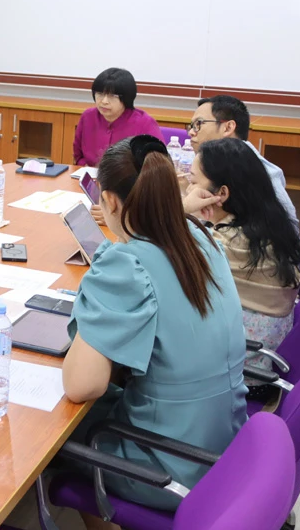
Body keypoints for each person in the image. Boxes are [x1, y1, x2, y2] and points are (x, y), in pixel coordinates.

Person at [62, 136, 246, 516]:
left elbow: (82, 385)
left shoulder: (126, 264)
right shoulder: (197, 235)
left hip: (169, 465)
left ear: (110, 201)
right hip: (225, 445)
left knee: (45, 435)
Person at [184, 138, 300, 372]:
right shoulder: (262, 223)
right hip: (253, 353)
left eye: (192, 181)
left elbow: (157, 250)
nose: (188, 189)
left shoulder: (229, 245)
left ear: (221, 193)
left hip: (241, 371)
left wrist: (182, 210)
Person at [188, 94, 299, 227]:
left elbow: (288, 231)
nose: (191, 132)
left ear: (228, 127)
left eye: (199, 124)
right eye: (191, 126)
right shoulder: (217, 162)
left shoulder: (262, 173)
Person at [72, 68, 163, 167]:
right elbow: (78, 155)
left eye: (112, 96)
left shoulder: (144, 123)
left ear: (126, 98)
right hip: (91, 177)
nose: (104, 101)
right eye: (100, 94)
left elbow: (158, 162)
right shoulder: (88, 117)